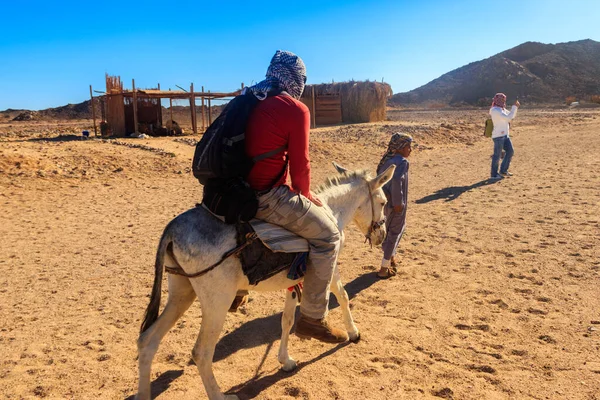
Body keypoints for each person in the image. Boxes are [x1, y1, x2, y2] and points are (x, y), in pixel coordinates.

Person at [244, 50, 348, 343]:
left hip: (232, 193)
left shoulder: (246, 98)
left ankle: (238, 292)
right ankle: (313, 318)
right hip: (267, 195)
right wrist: (304, 193)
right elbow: (300, 164)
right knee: (329, 237)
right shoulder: (295, 109)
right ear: (297, 79)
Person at [376, 133, 413, 279]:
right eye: (408, 147)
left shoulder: (386, 160)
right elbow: (397, 180)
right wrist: (399, 203)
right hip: (396, 204)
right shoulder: (402, 162)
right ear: (400, 148)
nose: (410, 150)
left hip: (384, 202)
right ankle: (384, 268)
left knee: (388, 232)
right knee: (395, 232)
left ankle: (390, 258)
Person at [489, 93, 520, 180]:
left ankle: (503, 170)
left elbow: (511, 116)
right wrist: (514, 107)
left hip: (505, 135)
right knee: (497, 155)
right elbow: (509, 118)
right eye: (501, 100)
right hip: (498, 136)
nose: (503, 101)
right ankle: (494, 174)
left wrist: (515, 107)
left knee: (510, 151)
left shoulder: (501, 109)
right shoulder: (495, 110)